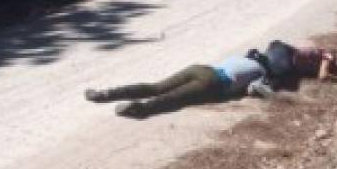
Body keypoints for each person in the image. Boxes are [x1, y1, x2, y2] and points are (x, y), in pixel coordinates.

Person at [84, 53, 268, 118]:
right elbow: (254, 90)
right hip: (213, 83)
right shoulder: (261, 72)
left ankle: (104, 94)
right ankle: (139, 109)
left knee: (155, 87)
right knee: (173, 99)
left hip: (200, 68)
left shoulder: (239, 58)